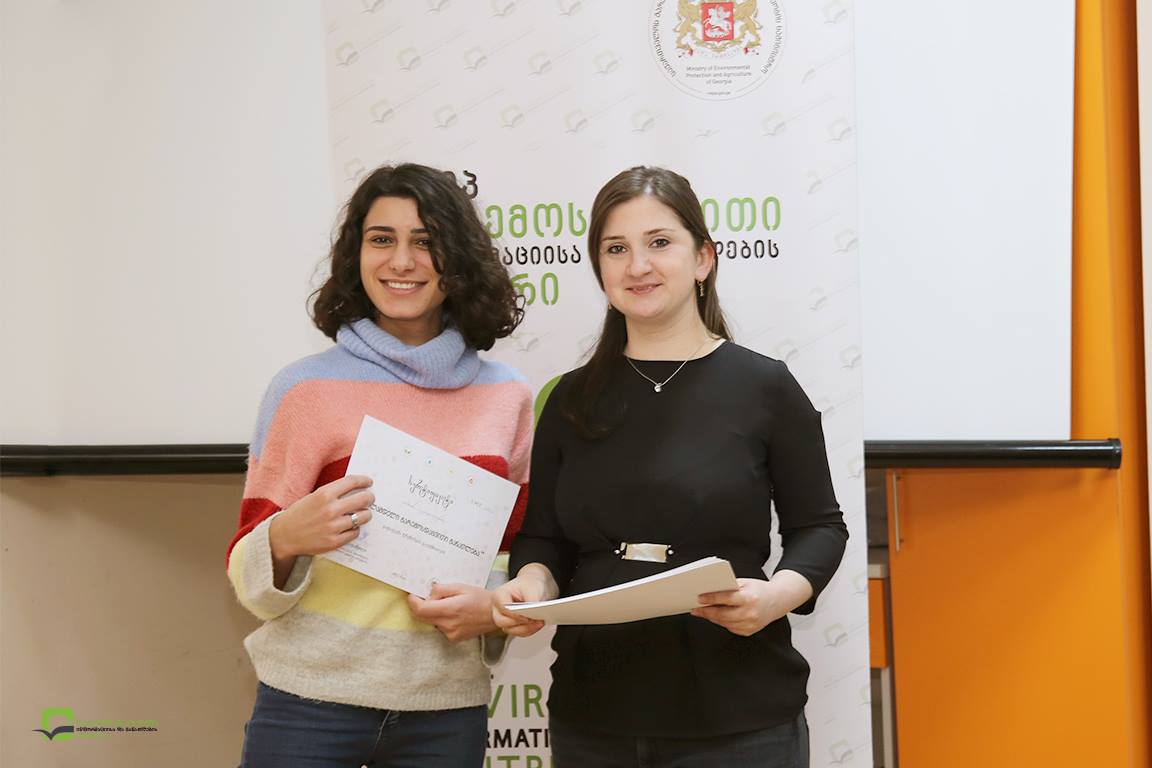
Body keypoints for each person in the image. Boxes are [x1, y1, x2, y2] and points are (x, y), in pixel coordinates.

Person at [492, 166, 848, 767]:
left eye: (659, 242)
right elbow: (544, 538)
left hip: (741, 714)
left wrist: (776, 596)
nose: (638, 266)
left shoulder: (765, 387)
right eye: (616, 249)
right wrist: (531, 584)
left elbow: (820, 527)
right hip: (594, 715)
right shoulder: (570, 400)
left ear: (703, 258)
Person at [226, 163, 533, 767]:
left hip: (446, 710)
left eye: (425, 241)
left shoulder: (508, 396)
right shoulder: (303, 391)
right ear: (356, 255)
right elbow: (246, 568)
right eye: (381, 239)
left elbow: (510, 555)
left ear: (458, 258)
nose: (401, 261)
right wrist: (285, 537)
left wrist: (492, 608)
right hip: (308, 706)